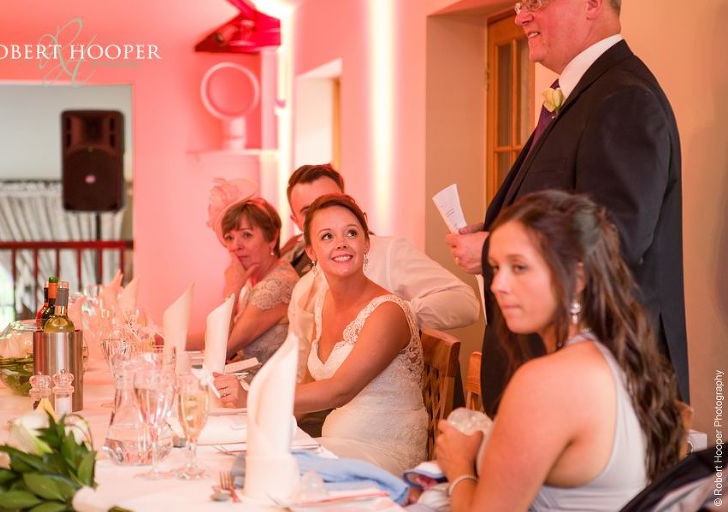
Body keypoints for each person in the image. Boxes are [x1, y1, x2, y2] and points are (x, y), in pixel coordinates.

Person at [445, 0, 688, 415]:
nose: (521, 16)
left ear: (592, 3)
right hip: (549, 370)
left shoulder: (625, 99)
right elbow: (571, 210)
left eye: (535, 3)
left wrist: (492, 252)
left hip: (590, 384)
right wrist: (499, 228)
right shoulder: (585, 93)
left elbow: (614, 244)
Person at [435, 190, 683, 511]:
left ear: (578, 276)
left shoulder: (548, 381)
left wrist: (459, 466)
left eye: (519, 267)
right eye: (496, 268)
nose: (498, 285)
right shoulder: (619, 356)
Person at [217, 194, 428, 476]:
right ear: (312, 252)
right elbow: (309, 381)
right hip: (334, 446)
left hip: (381, 456)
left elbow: (340, 389)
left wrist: (257, 396)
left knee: (262, 474)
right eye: (327, 236)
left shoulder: (388, 312)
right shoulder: (322, 301)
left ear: (366, 243)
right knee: (241, 463)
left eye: (351, 233)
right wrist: (262, 420)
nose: (341, 242)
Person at [284, 164, 479, 375]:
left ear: (348, 201)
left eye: (331, 201)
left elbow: (465, 302)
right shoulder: (303, 290)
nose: (325, 214)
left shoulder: (389, 252)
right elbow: (298, 366)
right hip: (323, 403)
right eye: (309, 211)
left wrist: (395, 317)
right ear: (296, 222)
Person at [208, 190, 298, 365]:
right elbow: (211, 336)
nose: (235, 246)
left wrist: (231, 289)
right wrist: (164, 338)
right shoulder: (256, 279)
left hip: (267, 389)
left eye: (247, 235)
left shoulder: (276, 285)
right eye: (229, 237)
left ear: (271, 238)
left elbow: (220, 350)